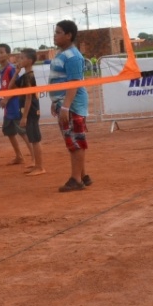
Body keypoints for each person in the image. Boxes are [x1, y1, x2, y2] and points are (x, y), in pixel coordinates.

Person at [49, 20, 91, 192]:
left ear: (69, 35)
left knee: (75, 141)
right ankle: (83, 176)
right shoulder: (61, 53)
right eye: (55, 32)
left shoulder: (73, 56)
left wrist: (65, 106)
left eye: (58, 32)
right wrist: (56, 102)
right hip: (64, 102)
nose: (54, 35)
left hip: (72, 104)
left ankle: (76, 180)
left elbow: (73, 83)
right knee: (73, 139)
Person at [0, 44, 28, 166]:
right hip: (7, 108)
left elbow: (15, 86)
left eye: (1, 52)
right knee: (9, 132)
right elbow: (6, 87)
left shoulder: (10, 68)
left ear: (8, 54)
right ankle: (19, 156)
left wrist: (6, 99)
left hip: (14, 105)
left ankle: (35, 158)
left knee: (22, 132)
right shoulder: (1, 70)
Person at [15, 49, 45, 176]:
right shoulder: (24, 76)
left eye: (22, 58)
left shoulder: (29, 77)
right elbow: (11, 87)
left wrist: (24, 117)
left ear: (30, 61)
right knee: (33, 138)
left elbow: (28, 98)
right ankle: (36, 165)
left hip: (31, 111)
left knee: (35, 139)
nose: (19, 60)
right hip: (28, 110)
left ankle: (40, 167)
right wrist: (16, 72)